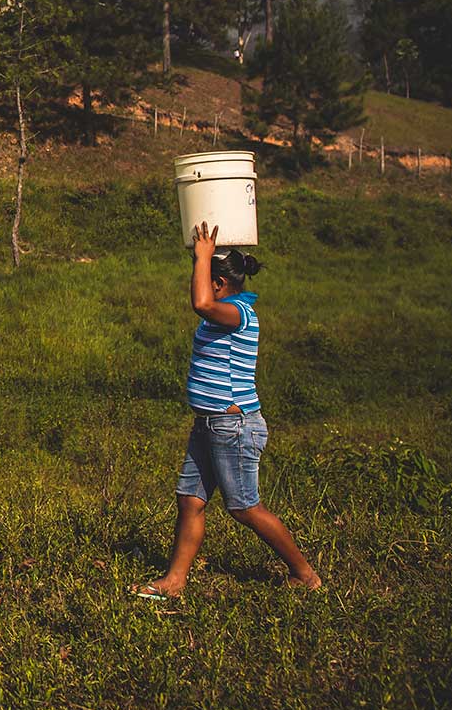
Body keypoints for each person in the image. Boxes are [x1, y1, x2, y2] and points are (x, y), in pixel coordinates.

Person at [135, 222, 322, 600]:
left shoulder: (237, 314)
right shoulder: (224, 312)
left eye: (204, 276)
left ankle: (304, 573)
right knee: (190, 500)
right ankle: (174, 581)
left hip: (233, 425)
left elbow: (200, 303)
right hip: (208, 423)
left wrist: (203, 256)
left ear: (218, 283)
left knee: (244, 507)